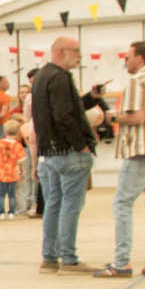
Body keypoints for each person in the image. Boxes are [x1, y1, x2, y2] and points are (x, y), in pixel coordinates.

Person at [95, 41, 145, 279]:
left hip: (142, 150)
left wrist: (112, 117)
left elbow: (137, 117)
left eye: (128, 57)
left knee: (122, 204)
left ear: (139, 58)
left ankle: (121, 263)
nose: (125, 61)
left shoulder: (137, 81)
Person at [32, 36, 97, 272]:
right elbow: (63, 115)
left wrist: (90, 98)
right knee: (70, 205)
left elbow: (55, 112)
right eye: (76, 51)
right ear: (61, 52)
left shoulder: (41, 77)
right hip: (68, 152)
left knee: (53, 204)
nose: (80, 56)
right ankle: (68, 258)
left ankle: (49, 258)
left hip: (48, 153)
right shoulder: (61, 77)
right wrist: (81, 145)